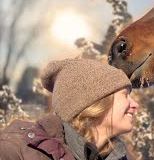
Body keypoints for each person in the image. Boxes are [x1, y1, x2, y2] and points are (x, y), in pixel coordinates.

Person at [0, 58, 139, 160]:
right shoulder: (16, 149)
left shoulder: (124, 157)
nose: (135, 104)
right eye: (125, 95)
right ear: (94, 102)